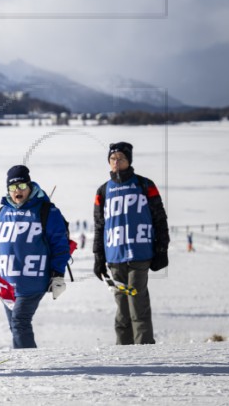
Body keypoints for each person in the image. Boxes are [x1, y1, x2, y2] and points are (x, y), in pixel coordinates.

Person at [0, 165, 71, 349]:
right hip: (7, 283)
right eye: (12, 188)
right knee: (15, 326)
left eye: (22, 186)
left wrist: (57, 274)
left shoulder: (47, 211)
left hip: (33, 281)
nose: (18, 191)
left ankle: (29, 367)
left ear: (30, 186)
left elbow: (60, 245)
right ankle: (23, 368)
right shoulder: (2, 213)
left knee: (19, 322)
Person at [93, 142, 169, 345]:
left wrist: (162, 248)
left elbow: (159, 218)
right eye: (113, 159)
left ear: (129, 161)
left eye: (121, 158)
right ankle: (124, 352)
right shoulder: (103, 191)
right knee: (122, 306)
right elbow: (100, 226)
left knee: (137, 301)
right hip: (114, 256)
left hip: (140, 253)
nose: (116, 162)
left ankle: (144, 348)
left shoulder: (144, 185)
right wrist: (98, 257)